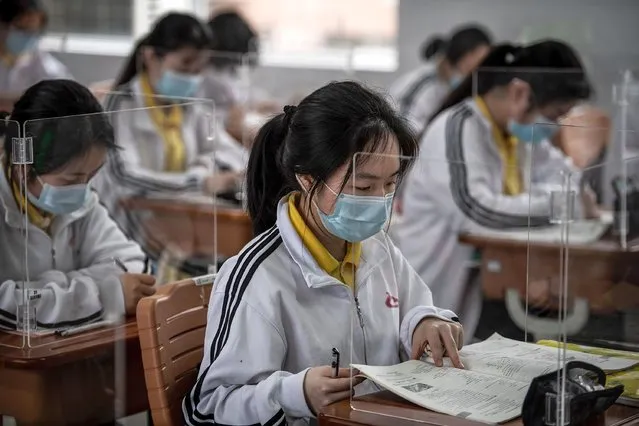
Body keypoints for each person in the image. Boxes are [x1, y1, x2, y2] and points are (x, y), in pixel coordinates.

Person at [183, 81, 464, 425]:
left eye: (390, 184)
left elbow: (412, 306)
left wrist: (426, 320)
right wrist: (295, 394)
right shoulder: (260, 277)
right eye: (363, 186)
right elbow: (207, 408)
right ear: (306, 178)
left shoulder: (377, 248)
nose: (379, 200)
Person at [396, 41, 598, 342]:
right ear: (519, 94)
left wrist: (564, 198)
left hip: (487, 288)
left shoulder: (516, 133)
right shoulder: (458, 128)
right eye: (555, 115)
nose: (555, 127)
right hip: (435, 296)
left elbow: (569, 177)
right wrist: (563, 205)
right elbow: (479, 213)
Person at [0, 79, 154, 329]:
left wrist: (48, 288)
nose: (83, 189)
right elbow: (6, 308)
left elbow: (137, 266)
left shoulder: (81, 202)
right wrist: (106, 295)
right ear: (22, 168)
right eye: (71, 178)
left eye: (92, 175)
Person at [96, 13, 247, 236]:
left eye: (199, 68)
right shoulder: (120, 106)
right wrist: (200, 182)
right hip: (128, 227)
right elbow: (125, 176)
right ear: (150, 56)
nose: (192, 77)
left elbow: (224, 148)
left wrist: (245, 171)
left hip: (177, 221)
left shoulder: (191, 106)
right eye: (185, 65)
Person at [390, 24, 492, 135]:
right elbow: (401, 133)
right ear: (466, 55)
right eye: (479, 61)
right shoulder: (422, 85)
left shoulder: (445, 85)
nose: (479, 68)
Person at [0, 0, 71, 109]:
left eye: (34, 31)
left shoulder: (42, 64)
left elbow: (65, 97)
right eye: (22, 29)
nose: (28, 37)